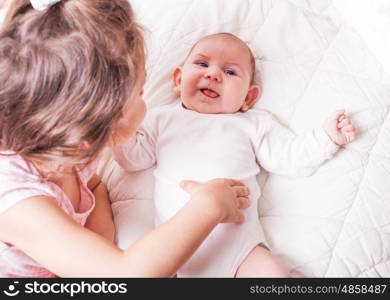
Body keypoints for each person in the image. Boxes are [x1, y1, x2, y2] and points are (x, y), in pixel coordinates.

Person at [0, 1, 251, 278]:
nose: (148, 101)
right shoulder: (18, 202)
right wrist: (208, 206)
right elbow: (128, 275)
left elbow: (94, 186)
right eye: (141, 93)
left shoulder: (72, 150)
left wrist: (100, 244)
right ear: (98, 129)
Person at [113, 33, 357, 277]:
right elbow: (133, 159)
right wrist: (116, 122)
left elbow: (289, 156)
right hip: (176, 249)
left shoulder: (252, 124)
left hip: (241, 252)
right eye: (201, 64)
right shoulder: (161, 118)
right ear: (178, 80)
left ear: (248, 97)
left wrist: (325, 138)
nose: (213, 74)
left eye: (230, 72)